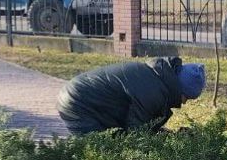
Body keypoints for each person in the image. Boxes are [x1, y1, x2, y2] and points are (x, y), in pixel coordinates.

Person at [56, 57, 206, 135]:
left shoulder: (157, 77)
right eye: (187, 97)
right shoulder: (154, 91)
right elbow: (136, 133)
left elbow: (143, 126)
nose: (185, 103)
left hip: (80, 96)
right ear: (181, 89)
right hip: (79, 103)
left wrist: (164, 133)